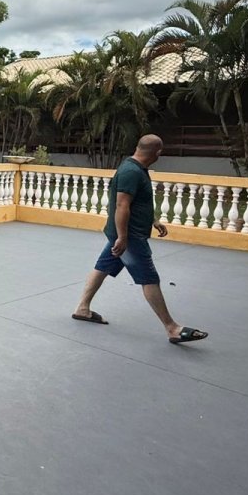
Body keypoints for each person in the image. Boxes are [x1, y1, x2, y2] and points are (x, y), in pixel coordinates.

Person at [72, 134, 209, 344]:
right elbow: (122, 205)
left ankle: (82, 308)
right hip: (130, 237)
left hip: (125, 234)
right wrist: (123, 237)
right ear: (158, 153)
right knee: (149, 278)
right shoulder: (131, 172)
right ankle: (172, 328)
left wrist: (152, 220)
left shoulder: (135, 168)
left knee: (103, 267)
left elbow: (136, 202)